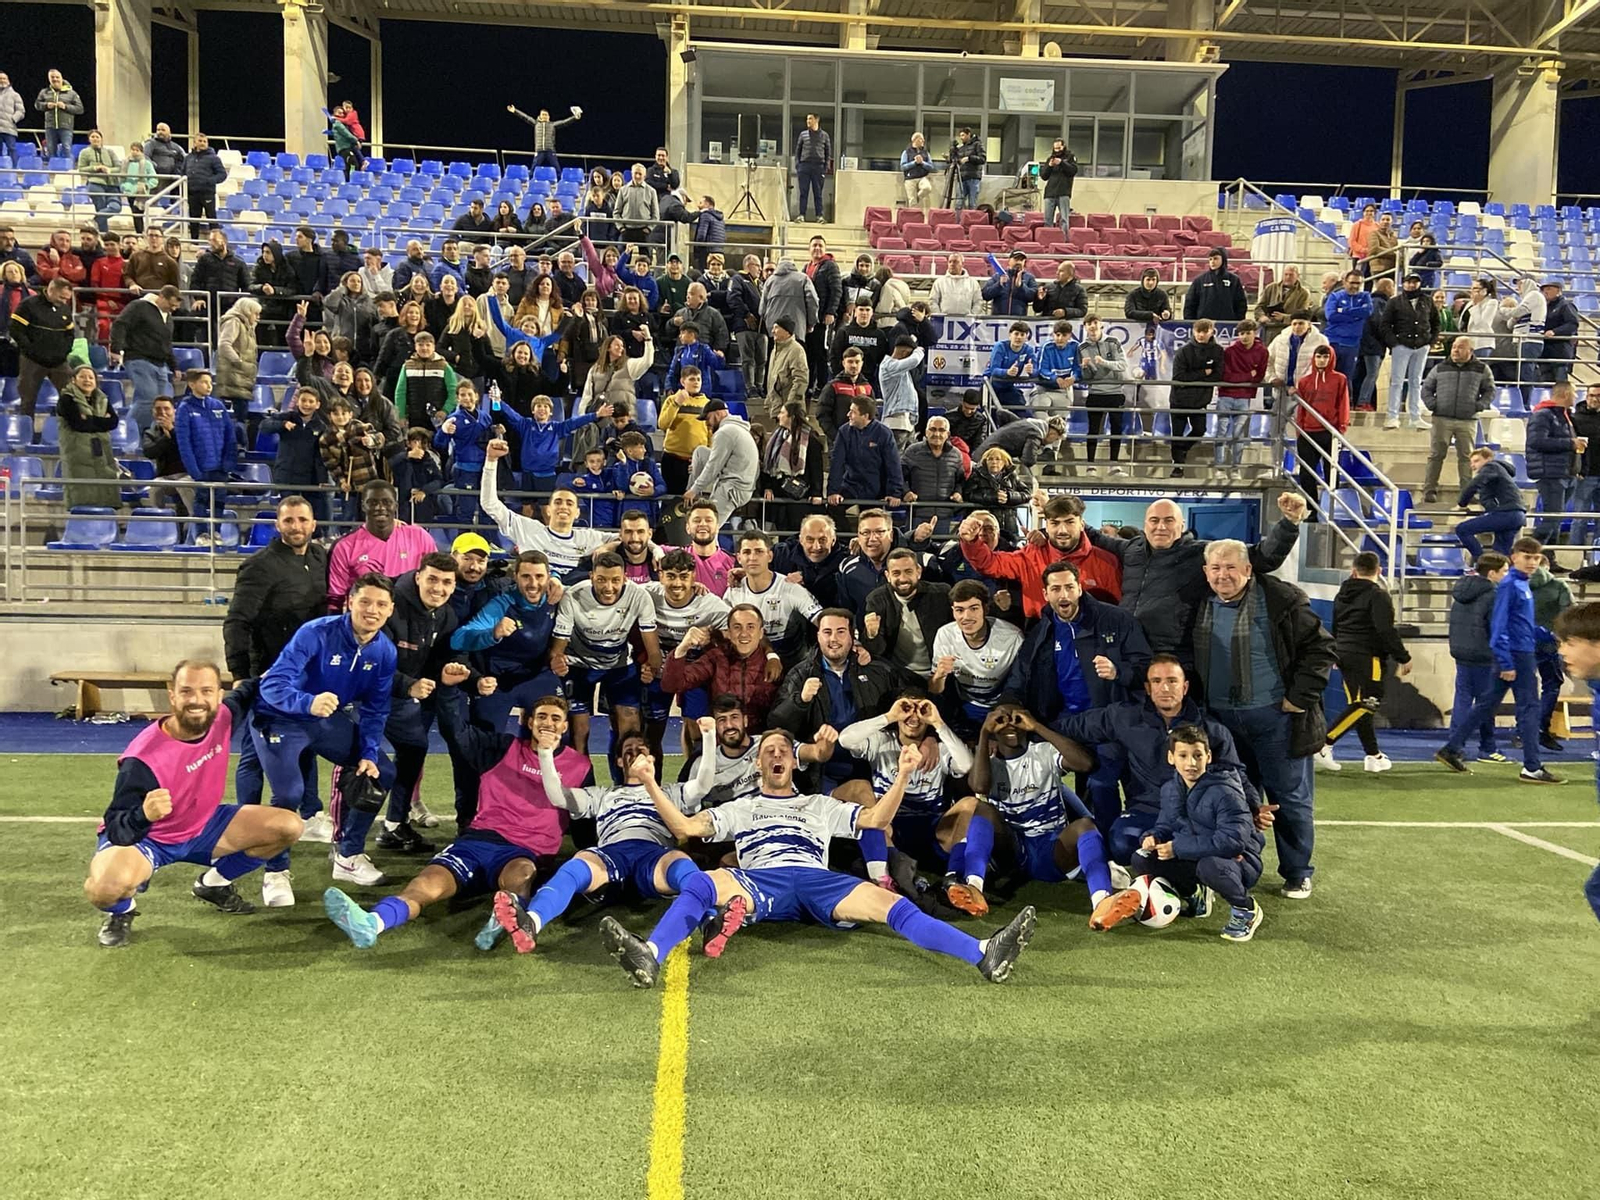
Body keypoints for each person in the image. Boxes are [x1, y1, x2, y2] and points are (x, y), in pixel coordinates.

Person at [606, 726, 1038, 987]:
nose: (775, 756)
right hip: (763, 879)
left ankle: (984, 953)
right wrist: (649, 782)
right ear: (758, 765)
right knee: (701, 880)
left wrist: (903, 775)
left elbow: (873, 820)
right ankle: (651, 953)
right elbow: (683, 829)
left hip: (818, 879)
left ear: (793, 763)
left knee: (893, 906)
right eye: (768, 752)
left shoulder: (818, 805)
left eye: (782, 751)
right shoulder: (739, 808)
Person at [84, 662, 302, 947]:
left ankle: (212, 884)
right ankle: (121, 913)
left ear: (218, 695)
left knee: (289, 827)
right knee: (105, 888)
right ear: (172, 695)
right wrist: (144, 814)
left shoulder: (222, 717)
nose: (197, 700)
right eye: (186, 691)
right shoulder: (142, 759)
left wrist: (283, 667)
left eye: (206, 691)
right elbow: (116, 828)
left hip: (204, 825)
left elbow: (248, 690)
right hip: (151, 840)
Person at [1195, 539, 1335, 899]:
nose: (1222, 574)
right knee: (1235, 799)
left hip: (1275, 718)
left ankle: (1297, 871)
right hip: (1221, 722)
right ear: (1206, 572)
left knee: (1289, 798)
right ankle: (1240, 866)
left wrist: (1298, 698)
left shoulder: (1281, 601)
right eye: (1215, 568)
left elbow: (1321, 648)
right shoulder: (1197, 604)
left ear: (1247, 569)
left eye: (1230, 567)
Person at [249, 573, 398, 892]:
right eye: (365, 601)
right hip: (278, 717)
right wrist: (308, 701)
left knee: (380, 770)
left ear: (390, 610)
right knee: (288, 793)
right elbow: (271, 684)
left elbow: (375, 709)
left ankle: (348, 856)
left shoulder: (384, 651)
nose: (372, 610)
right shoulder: (315, 633)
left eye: (381, 604)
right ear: (349, 603)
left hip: (323, 720)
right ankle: (275, 872)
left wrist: (369, 753)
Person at [1099, 724, 1266, 941]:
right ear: (1171, 758)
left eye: (1197, 755)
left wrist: (1177, 848)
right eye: (1183, 755)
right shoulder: (1171, 788)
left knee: (1210, 865)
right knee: (1142, 858)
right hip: (1198, 853)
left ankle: (1246, 909)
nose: (1191, 763)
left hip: (1240, 861)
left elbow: (1233, 841)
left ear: (1208, 756)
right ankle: (1194, 894)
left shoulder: (1225, 790)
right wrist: (1153, 837)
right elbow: (1166, 825)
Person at [1436, 538, 1560, 783]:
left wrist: (1548, 635)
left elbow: (1520, 624)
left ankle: (1451, 748)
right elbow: (1499, 625)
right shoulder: (1510, 586)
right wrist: (1505, 661)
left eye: (1536, 558)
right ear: (1514, 557)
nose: (1532, 562)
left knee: (1485, 705)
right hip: (1517, 654)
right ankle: (1532, 767)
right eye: (1527, 557)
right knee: (1529, 709)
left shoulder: (1521, 584)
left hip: (1518, 651)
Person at [550, 553, 661, 770]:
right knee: (578, 730)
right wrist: (557, 662)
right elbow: (557, 649)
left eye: (615, 580)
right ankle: (580, 785)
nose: (608, 587)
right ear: (591, 576)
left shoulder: (639, 597)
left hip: (619, 665)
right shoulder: (573, 596)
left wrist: (651, 667)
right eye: (601, 579)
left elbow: (653, 649)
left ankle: (628, 783)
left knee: (629, 723)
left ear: (625, 578)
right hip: (579, 665)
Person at [1322, 551, 1411, 773]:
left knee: (1360, 705)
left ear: (1354, 571)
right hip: (1367, 655)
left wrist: (1335, 651)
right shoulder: (1378, 596)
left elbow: (1336, 624)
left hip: (1344, 653)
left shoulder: (1341, 594)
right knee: (1367, 702)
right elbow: (1385, 630)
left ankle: (1373, 755)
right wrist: (1403, 656)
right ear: (1379, 571)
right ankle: (1324, 743)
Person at [1421, 335, 1496, 503]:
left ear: (1470, 351)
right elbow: (1426, 388)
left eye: (1460, 347)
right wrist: (1433, 405)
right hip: (1441, 418)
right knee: (1436, 455)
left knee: (1467, 457)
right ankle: (1430, 489)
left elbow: (1490, 391)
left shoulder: (1482, 369)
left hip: (1467, 420)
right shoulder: (1440, 368)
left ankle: (1466, 493)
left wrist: (1479, 406)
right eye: (1454, 346)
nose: (1455, 350)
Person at [11, 276, 77, 440]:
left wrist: (64, 352)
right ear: (51, 289)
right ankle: (25, 436)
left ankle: (70, 433)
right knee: (27, 400)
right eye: (61, 297)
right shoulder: (28, 305)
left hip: (59, 362)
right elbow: (16, 330)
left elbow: (70, 334)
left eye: (67, 299)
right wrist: (31, 351)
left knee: (72, 397)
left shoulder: (64, 309)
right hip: (32, 361)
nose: (64, 301)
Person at [110, 284, 182, 433]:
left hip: (160, 364)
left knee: (160, 404)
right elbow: (120, 324)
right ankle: (125, 431)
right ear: (161, 297)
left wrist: (174, 366)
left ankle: (147, 435)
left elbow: (167, 343)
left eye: (175, 306)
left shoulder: (168, 317)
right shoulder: (139, 307)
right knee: (149, 399)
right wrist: (116, 349)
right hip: (138, 359)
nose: (173, 309)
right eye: (171, 304)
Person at [1380, 272, 1440, 430]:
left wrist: (1430, 341)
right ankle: (1392, 416)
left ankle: (1415, 416)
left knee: (1416, 382)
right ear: (1403, 283)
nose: (1412, 285)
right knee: (1396, 382)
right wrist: (1394, 343)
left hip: (1421, 346)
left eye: (1415, 282)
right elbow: (1385, 324)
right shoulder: (1394, 302)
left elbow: (1436, 322)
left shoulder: (1427, 301)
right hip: (1402, 345)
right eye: (1409, 282)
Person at [1292, 344, 1350, 511]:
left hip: (1329, 432)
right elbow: (1301, 408)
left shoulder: (1340, 379)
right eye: (1318, 357)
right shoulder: (1304, 381)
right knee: (1306, 473)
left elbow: (1343, 404)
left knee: (1331, 472)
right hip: (1307, 432)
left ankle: (1331, 507)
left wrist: (1341, 429)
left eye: (1325, 357)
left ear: (1330, 358)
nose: (1322, 360)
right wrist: (1300, 430)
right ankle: (1311, 509)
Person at [56, 363, 121, 509]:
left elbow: (113, 422)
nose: (87, 380)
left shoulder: (103, 398)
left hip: (102, 453)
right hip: (78, 454)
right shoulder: (67, 399)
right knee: (83, 498)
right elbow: (78, 424)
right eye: (83, 377)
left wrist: (89, 419)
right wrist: (101, 421)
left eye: (91, 377)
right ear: (73, 380)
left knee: (105, 498)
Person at [827, 396, 905, 517]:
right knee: (833, 508)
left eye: (853, 412)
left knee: (871, 520)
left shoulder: (884, 433)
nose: (848, 415)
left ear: (865, 416)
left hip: (875, 488)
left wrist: (895, 493)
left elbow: (893, 464)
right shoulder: (844, 431)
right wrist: (833, 491)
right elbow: (837, 463)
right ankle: (846, 536)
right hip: (851, 484)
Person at [1527, 381, 1583, 545]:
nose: (1576, 396)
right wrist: (1570, 444)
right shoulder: (1543, 415)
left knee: (1556, 519)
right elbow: (1536, 441)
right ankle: (1528, 552)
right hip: (1551, 473)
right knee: (1552, 518)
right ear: (1565, 394)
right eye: (1574, 393)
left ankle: (1548, 559)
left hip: (1566, 473)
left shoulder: (1564, 416)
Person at [1530, 552, 1573, 750]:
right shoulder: (1558, 586)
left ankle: (1521, 731)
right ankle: (1540, 729)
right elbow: (1569, 614)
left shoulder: (1516, 584)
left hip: (1520, 642)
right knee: (1552, 683)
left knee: (1524, 688)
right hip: (1547, 642)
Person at [1169, 319, 1224, 474]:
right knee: (1177, 434)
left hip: (1200, 400)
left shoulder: (1217, 351)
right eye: (1198, 331)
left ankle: (1183, 450)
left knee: (1200, 429)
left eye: (1204, 331)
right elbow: (1179, 377)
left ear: (1211, 331)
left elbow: (1217, 375)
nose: (1201, 335)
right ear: (1193, 331)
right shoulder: (1184, 351)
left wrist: (1195, 378)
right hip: (1179, 399)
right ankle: (1177, 466)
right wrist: (1203, 373)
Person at [1454, 448, 1528, 562]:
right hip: (1516, 515)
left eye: (1477, 461)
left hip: (1506, 513)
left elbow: (1474, 485)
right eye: (1471, 462)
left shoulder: (1491, 467)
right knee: (1500, 555)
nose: (1473, 465)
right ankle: (1495, 575)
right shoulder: (1498, 472)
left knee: (1462, 529)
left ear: (1488, 459)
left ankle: (1481, 561)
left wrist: (1462, 504)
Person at [1216, 318, 1266, 474]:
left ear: (1255, 333)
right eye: (1241, 333)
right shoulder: (1229, 351)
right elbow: (1225, 376)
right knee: (1221, 433)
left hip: (1244, 398)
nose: (1244, 337)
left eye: (1248, 333)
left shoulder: (1262, 352)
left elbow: (1259, 376)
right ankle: (1220, 468)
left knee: (1238, 435)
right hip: (1225, 395)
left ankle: (1235, 469)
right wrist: (1246, 375)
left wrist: (1244, 377)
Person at [1323, 270, 1373, 384]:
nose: (1355, 286)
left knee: (1346, 379)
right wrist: (1355, 317)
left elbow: (1367, 312)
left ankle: (1346, 402)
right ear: (1345, 282)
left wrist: (1343, 311)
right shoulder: (1335, 296)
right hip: (1333, 341)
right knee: (1329, 376)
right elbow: (1331, 316)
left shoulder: (1365, 296)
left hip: (1352, 344)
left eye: (1358, 283)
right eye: (1352, 283)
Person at [181, 133, 227, 239]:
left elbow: (222, 174)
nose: (202, 143)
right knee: (193, 220)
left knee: (212, 218)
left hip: (207, 193)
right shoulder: (188, 158)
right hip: (192, 193)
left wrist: (209, 181)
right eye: (200, 141)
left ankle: (217, 241)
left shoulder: (214, 158)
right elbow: (182, 173)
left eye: (204, 141)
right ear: (194, 142)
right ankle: (194, 242)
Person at [987, 320, 1037, 411]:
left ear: (1026, 337)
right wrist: (1007, 372)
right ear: (1010, 335)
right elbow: (993, 370)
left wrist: (1032, 371)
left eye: (1022, 335)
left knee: (1021, 408)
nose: (1019, 337)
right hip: (990, 385)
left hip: (1007, 388)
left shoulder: (1028, 350)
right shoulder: (1000, 346)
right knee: (993, 413)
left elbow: (1036, 371)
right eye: (1016, 334)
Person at [1183, 249, 1246, 321]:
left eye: (1215, 258)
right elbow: (1190, 303)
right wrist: (1190, 323)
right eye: (1210, 259)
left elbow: (1241, 304)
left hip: (1228, 325)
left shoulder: (1234, 280)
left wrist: (1237, 322)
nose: (1212, 262)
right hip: (1203, 326)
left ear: (1223, 259)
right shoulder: (1199, 280)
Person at [1255, 265, 1311, 345]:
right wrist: (1261, 316)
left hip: (1291, 330)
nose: (1288, 277)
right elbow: (1259, 307)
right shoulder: (1271, 288)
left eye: (1291, 275)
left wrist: (1284, 317)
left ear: (1297, 276)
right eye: (1286, 274)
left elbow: (1303, 314)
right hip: (1270, 329)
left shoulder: (1303, 293)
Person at [35, 69, 83, 160]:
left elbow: (80, 109)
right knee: (51, 150)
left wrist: (65, 107)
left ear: (61, 78)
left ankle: (68, 171)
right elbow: (37, 105)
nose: (55, 79)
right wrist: (46, 105)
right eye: (52, 77)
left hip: (66, 126)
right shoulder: (44, 92)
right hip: (50, 126)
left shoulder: (71, 93)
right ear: (49, 79)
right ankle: (53, 171)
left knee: (67, 149)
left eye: (57, 77)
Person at [1541, 280, 1580, 384]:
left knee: (1560, 384)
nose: (1545, 292)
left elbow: (1572, 324)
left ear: (1558, 290)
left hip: (1560, 351)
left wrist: (1555, 332)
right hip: (1546, 352)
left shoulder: (1565, 305)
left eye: (1549, 289)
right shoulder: (1544, 307)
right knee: (1544, 383)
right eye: (1544, 289)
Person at [983, 251, 1038, 319]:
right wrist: (999, 285)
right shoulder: (998, 276)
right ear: (1009, 261)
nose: (1018, 262)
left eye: (1021, 260)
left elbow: (1032, 297)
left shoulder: (1029, 278)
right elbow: (985, 294)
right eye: (1016, 259)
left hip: (1019, 320)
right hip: (998, 320)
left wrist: (1021, 286)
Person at [1038, 139, 1077, 231]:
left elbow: (1073, 171)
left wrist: (1061, 163)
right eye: (1055, 148)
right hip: (1050, 193)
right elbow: (1044, 176)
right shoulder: (1050, 158)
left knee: (1064, 219)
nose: (1057, 150)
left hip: (1063, 193)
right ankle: (1048, 240)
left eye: (1059, 148)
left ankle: (1064, 241)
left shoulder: (1070, 157)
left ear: (1063, 147)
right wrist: (1050, 166)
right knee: (1048, 220)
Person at [949, 127, 986, 211]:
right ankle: (958, 222)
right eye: (960, 136)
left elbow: (982, 159)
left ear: (968, 134)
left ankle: (970, 222)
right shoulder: (961, 148)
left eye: (963, 135)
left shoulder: (978, 144)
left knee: (972, 203)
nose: (961, 137)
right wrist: (952, 152)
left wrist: (969, 158)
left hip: (973, 177)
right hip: (962, 178)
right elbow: (955, 160)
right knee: (958, 203)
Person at [900, 132, 936, 211]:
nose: (923, 142)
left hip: (922, 177)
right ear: (915, 140)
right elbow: (903, 167)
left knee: (927, 188)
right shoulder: (906, 152)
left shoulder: (926, 153)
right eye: (921, 140)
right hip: (910, 178)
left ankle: (918, 197)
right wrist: (914, 163)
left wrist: (922, 163)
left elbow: (931, 166)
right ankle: (913, 218)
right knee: (912, 201)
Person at [0, 72, 25, 162]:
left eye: (4, 78)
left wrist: (13, 119)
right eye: (0, 79)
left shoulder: (15, 95)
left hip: (9, 127)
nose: (2, 80)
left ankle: (14, 170)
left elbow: (21, 111)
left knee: (12, 149)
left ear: (8, 81)